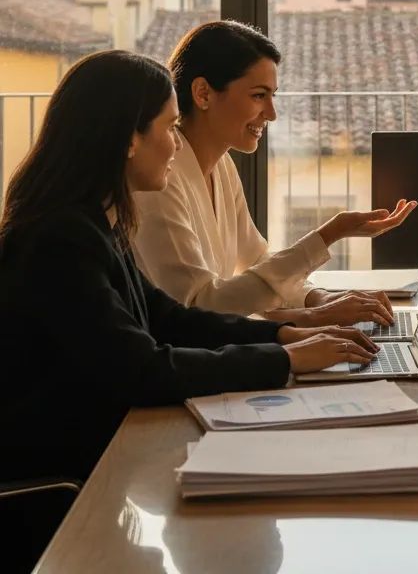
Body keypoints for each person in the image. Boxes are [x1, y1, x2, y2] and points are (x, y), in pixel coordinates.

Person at [0, 50, 377, 495]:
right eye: (169, 128)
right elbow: (142, 369)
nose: (177, 144)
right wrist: (287, 360)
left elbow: (169, 320)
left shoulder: (93, 222)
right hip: (59, 481)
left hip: (100, 453)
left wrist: (281, 337)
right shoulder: (60, 240)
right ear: (128, 139)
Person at [132, 20, 416, 327]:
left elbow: (256, 261)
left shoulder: (221, 165)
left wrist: (316, 297)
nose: (272, 113)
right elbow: (199, 308)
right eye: (258, 96)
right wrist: (328, 235)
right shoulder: (159, 180)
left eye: (273, 96)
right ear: (203, 94)